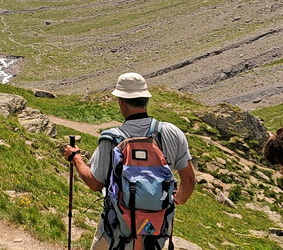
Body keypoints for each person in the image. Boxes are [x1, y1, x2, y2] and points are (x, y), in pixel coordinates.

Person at [62, 72, 196, 250]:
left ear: (121, 102)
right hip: (157, 230)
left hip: (117, 231)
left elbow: (95, 183)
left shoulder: (112, 138)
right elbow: (189, 180)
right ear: (146, 100)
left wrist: (76, 159)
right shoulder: (172, 132)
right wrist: (175, 201)